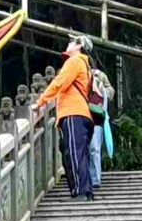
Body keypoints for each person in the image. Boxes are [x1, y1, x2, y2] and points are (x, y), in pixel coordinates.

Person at [36, 36, 98, 198]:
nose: (68, 44)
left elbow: (59, 82)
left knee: (74, 154)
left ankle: (80, 191)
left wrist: (40, 102)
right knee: (80, 154)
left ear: (79, 46)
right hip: (82, 114)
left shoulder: (75, 61)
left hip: (73, 112)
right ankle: (86, 191)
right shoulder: (85, 65)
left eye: (72, 42)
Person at [87, 63, 113, 188]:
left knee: (94, 148)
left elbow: (110, 91)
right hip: (80, 115)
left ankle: (95, 178)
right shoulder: (73, 75)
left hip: (96, 117)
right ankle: (85, 178)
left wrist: (100, 89)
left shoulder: (99, 75)